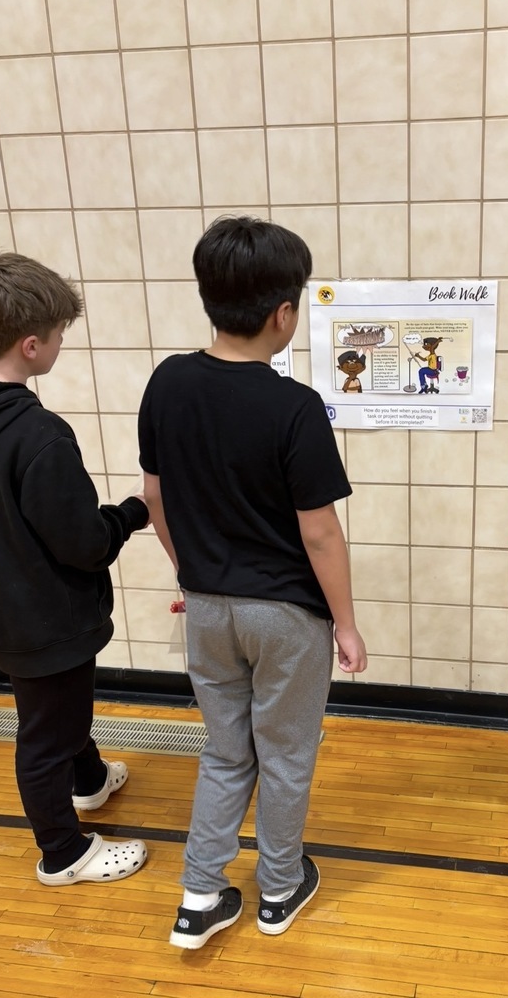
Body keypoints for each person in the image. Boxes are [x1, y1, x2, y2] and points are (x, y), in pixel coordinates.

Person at [138, 215, 368, 949]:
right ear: (283, 314)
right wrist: (347, 623)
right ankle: (276, 887)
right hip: (285, 618)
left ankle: (200, 895)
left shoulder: (167, 381)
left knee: (225, 749)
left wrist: (192, 571)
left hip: (207, 610)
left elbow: (154, 497)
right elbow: (319, 532)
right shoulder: (292, 406)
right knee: (286, 752)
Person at [0, 253, 150, 886]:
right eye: (59, 334)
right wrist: (135, 512)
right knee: (43, 734)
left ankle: (87, 780)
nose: (62, 344)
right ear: (32, 345)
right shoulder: (38, 436)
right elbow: (84, 543)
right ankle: (63, 852)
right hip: (49, 620)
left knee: (58, 710)